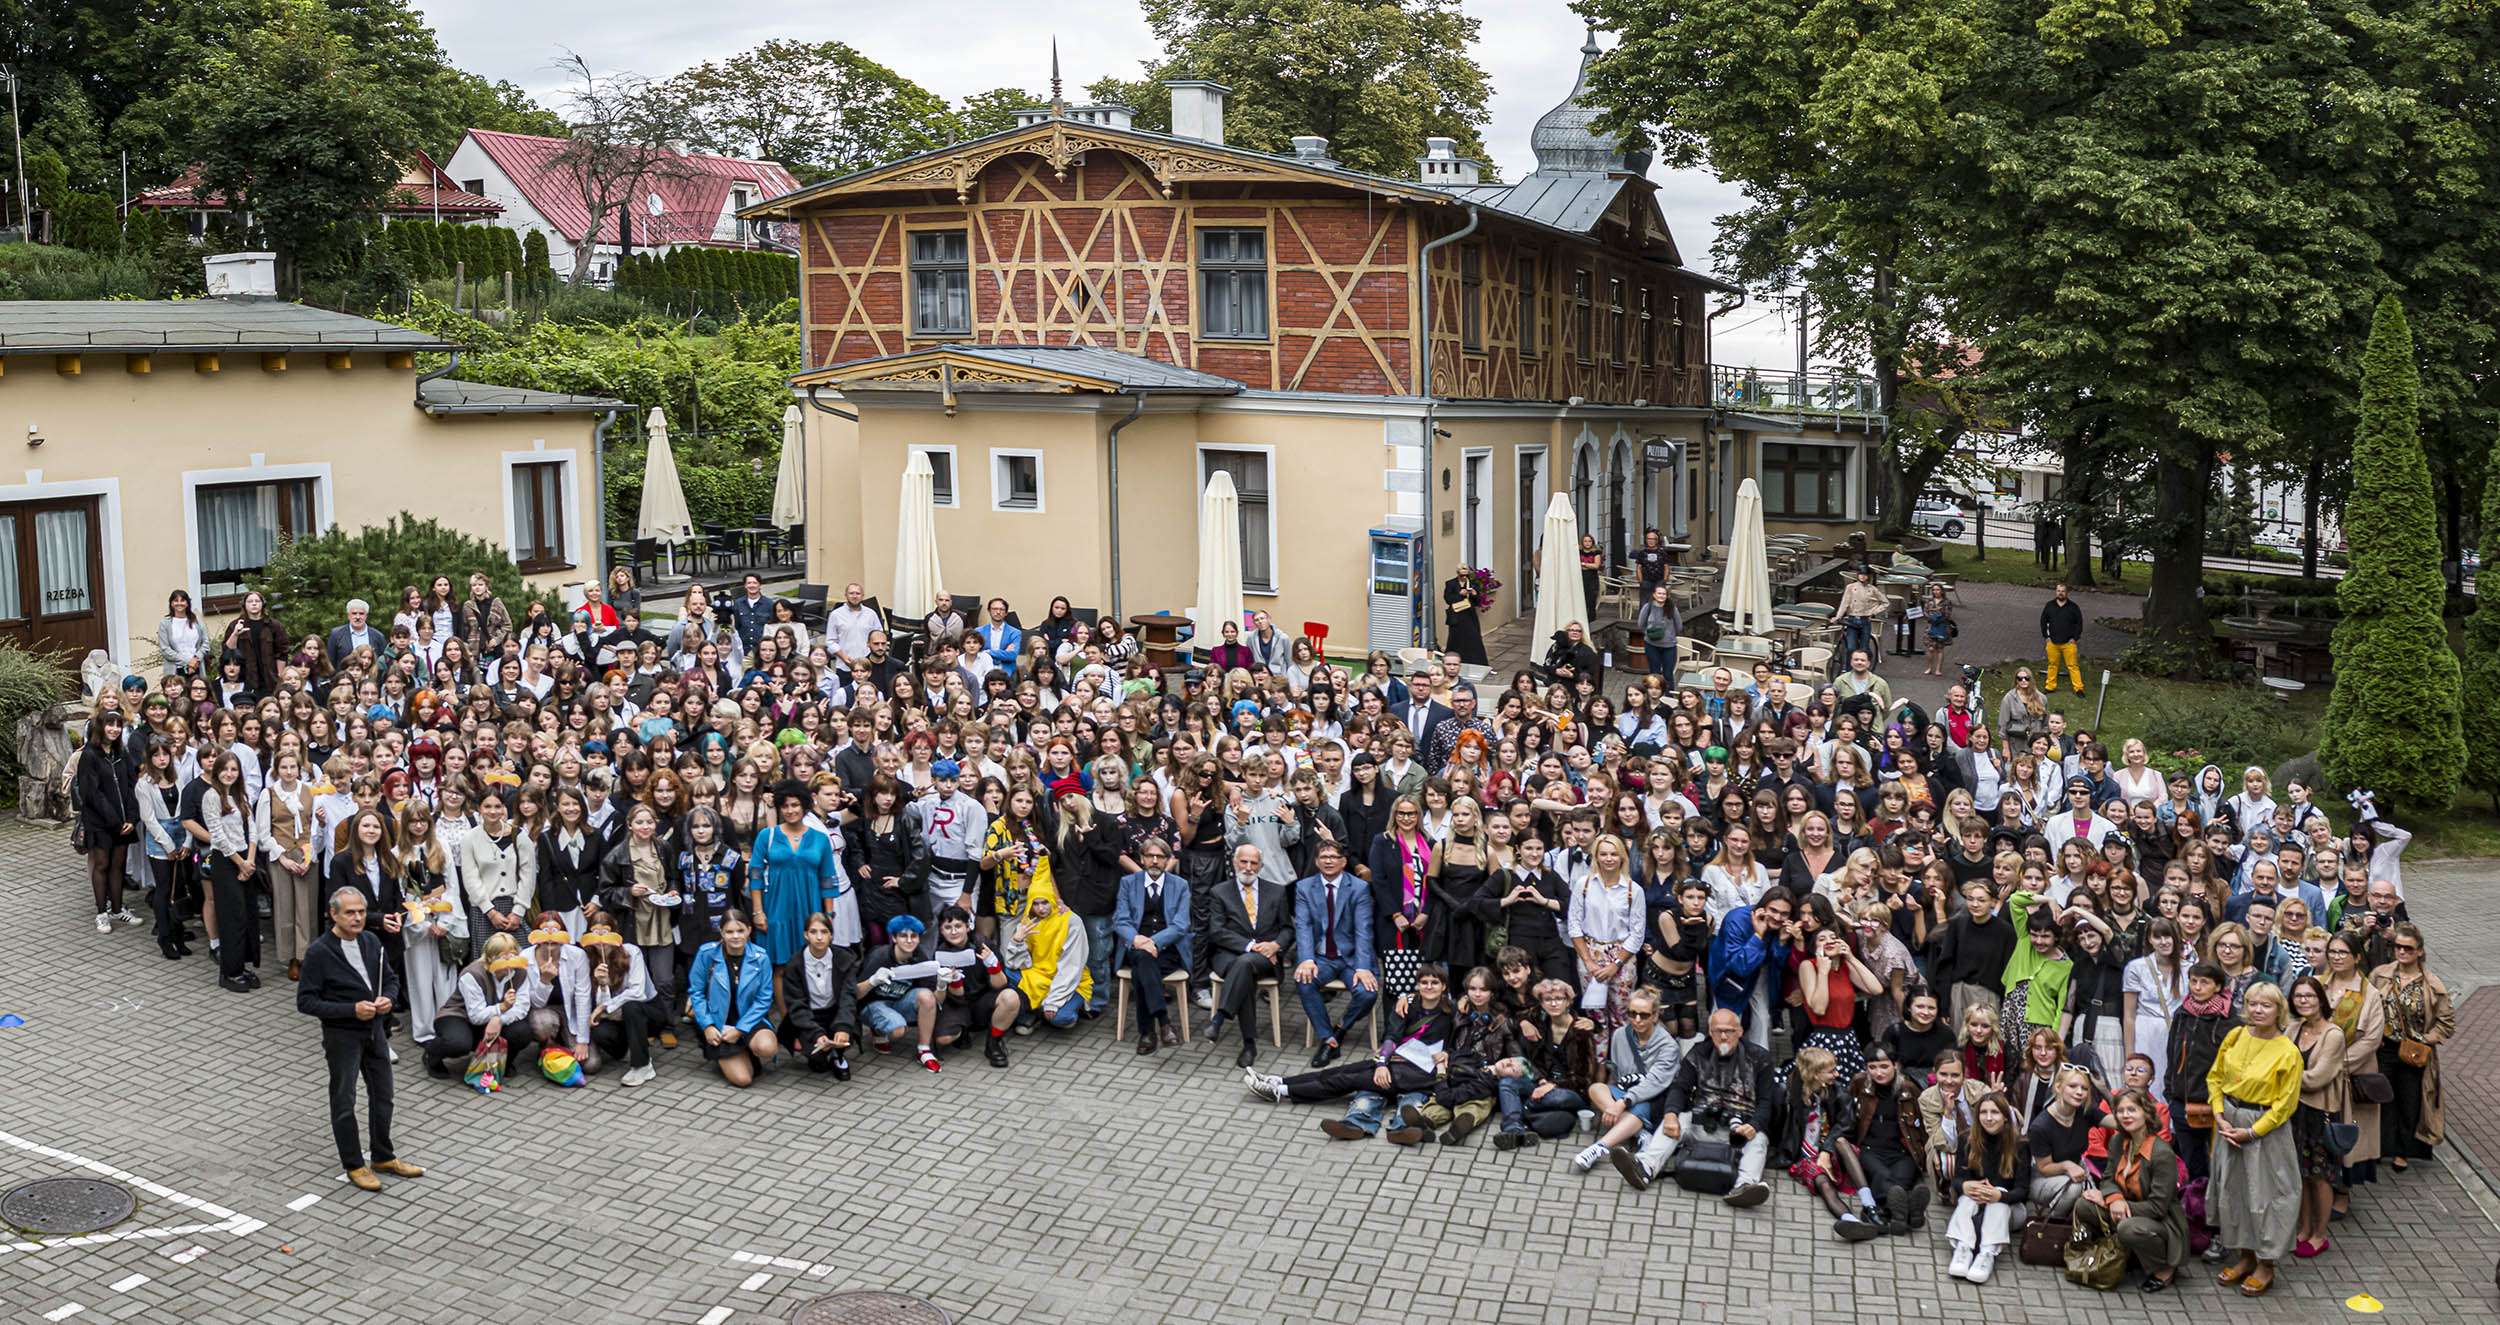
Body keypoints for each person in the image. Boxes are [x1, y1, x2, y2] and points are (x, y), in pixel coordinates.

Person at [297, 887, 421, 1190]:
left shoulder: (371, 941)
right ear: (334, 914)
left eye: (362, 912)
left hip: (375, 1032)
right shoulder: (319, 952)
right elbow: (306, 1002)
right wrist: (350, 1010)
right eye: (350, 912)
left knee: (384, 1095)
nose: (357, 918)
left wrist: (389, 998)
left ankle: (383, 1156)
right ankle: (353, 1163)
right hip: (342, 1036)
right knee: (344, 1099)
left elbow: (390, 979)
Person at [1618, 1008, 1776, 1205]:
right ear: (1710, 1032)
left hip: (1740, 1130)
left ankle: (1744, 1186)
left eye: (1729, 1031)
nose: (1723, 1036)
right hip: (1702, 1124)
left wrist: (1754, 1125)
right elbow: (1680, 1087)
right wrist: (1670, 1113)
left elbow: (1766, 1101)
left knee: (1759, 1139)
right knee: (1678, 1120)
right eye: (1718, 1031)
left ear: (1740, 1031)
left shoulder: (1760, 1058)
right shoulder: (1699, 1052)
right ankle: (1645, 1168)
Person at [2208, 980, 2303, 1296]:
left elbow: (2285, 1104)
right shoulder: (2235, 1036)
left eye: (2266, 1005)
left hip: (2263, 1130)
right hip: (2229, 1122)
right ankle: (2246, 1256)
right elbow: (2215, 1077)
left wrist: (2252, 1132)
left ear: (2279, 1010)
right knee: (2234, 1191)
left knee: (2266, 1195)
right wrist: (2219, 1114)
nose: (2257, 1010)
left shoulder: (2288, 1051)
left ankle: (2266, 1263)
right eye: (2252, 1003)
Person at [2075, 1086, 2186, 1293]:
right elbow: (2108, 1177)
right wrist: (2114, 1198)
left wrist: (2116, 1203)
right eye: (2121, 1111)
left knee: (2128, 1228)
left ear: (2146, 1112)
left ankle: (2163, 1267)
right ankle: (2128, 1252)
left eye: (2132, 1110)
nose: (2126, 1115)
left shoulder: (2161, 1153)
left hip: (2160, 1220)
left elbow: (2158, 1207)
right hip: (2126, 1207)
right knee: (2084, 1205)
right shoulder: (2118, 1140)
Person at [1204, 843, 1295, 1068]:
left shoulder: (1276, 891)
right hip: (1229, 955)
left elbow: (1288, 929)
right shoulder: (1219, 892)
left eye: (1253, 863)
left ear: (1261, 866)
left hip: (1266, 957)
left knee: (1244, 966)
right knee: (1244, 969)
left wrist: (1275, 945)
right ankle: (1249, 1044)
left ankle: (1219, 1018)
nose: (1248, 867)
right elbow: (1216, 931)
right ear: (1235, 863)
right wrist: (1251, 946)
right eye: (1243, 862)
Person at [2370, 922, 2451, 1173]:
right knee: (2382, 1098)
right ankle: (2379, 1147)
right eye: (2398, 947)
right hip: (2384, 1047)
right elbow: (2368, 1006)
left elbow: (2446, 1023)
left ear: (2419, 951)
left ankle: (2402, 1151)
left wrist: (2426, 1038)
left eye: (2408, 948)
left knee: (2410, 1100)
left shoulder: (2432, 984)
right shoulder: (2381, 974)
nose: (2402, 952)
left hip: (2414, 1051)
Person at [1576, 985, 1681, 1176]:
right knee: (1596, 1089)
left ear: (1655, 1016)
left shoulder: (1668, 1046)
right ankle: (1640, 1133)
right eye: (1632, 1014)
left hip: (1654, 1097)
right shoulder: (1620, 1035)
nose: (1637, 1020)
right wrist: (1618, 1101)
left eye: (1644, 1015)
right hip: (1627, 1092)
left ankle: (1599, 1148)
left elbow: (1654, 1083)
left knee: (1637, 1108)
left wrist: (1622, 1103)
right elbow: (1617, 1073)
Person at [1294, 839, 1379, 1066]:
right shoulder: (1304, 887)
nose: (1329, 861)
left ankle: (1341, 1027)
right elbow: (1303, 926)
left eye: (1334, 857)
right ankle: (1328, 1039)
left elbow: (1363, 930)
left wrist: (1363, 967)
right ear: (1316, 862)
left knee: (1367, 993)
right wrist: (1306, 959)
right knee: (1304, 982)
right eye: (1324, 857)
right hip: (1321, 958)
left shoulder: (1359, 888)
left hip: (1352, 958)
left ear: (1343, 862)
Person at [686, 908, 780, 1086]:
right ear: (721, 932)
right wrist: (707, 1026)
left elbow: (764, 999)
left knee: (767, 1048)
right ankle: (730, 1053)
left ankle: (745, 1048)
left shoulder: (761, 957)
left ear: (749, 931)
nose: (735, 936)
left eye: (740, 930)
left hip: (749, 1019)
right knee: (743, 1080)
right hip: (718, 1023)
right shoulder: (706, 954)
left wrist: (740, 1030)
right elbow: (696, 993)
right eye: (729, 932)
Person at [1945, 1091, 2027, 1283]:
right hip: (1975, 1207)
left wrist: (1998, 1195)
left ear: (2005, 1117)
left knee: (2000, 1197)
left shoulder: (2020, 1145)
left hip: (2008, 1210)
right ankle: (1963, 1249)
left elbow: (2023, 1191)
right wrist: (1966, 1186)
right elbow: (1957, 1178)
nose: (1989, 1118)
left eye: (1995, 1112)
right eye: (1984, 1112)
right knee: (1968, 1197)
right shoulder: (1967, 1139)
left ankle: (1987, 1254)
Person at [74, 710, 139, 934]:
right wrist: (115, 821)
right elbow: (92, 794)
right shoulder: (89, 755)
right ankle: (102, 913)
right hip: (100, 823)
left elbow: (132, 786)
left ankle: (118, 908)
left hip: (124, 822)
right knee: (102, 865)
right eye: (109, 724)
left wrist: (131, 818)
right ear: (100, 727)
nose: (114, 729)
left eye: (118, 725)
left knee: (118, 865)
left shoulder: (122, 753)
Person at [779, 911, 858, 1080]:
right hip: (810, 1015)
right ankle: (816, 1052)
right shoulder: (794, 964)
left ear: (831, 935)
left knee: (843, 1035)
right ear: (806, 935)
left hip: (835, 1011)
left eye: (824, 932)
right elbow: (796, 1004)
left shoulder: (844, 959)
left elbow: (848, 996)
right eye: (813, 932)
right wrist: (815, 1034)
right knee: (818, 1064)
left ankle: (838, 1055)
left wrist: (843, 1026)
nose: (819, 937)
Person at [2040, 581, 2085, 694]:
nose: (2060, 593)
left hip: (2069, 643)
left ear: (2067, 593)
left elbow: (2079, 624)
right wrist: (2046, 636)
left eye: (2063, 591)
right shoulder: (2049, 606)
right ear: (2056, 592)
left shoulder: (2073, 607)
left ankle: (2078, 688)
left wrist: (2075, 638)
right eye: (2058, 591)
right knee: (2052, 665)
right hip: (2052, 643)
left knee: (2073, 666)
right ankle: (2050, 687)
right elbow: (2043, 621)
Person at [1442, 565, 1487, 667]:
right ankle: (1453, 661)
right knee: (1455, 640)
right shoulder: (1451, 583)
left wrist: (1474, 594)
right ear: (1458, 573)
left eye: (1466, 575)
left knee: (1474, 639)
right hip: (1456, 616)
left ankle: (1476, 662)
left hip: (1469, 615)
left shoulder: (1472, 583)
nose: (1464, 577)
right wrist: (1460, 594)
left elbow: (1478, 602)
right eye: (1462, 575)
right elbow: (1448, 599)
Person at [1634, 583, 1680, 680]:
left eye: (1664, 594)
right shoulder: (1648, 607)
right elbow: (1641, 624)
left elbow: (1679, 626)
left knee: (1668, 674)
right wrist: (1648, 634)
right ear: (1654, 595)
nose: (1661, 596)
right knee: (1654, 673)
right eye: (1659, 593)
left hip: (1669, 646)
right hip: (1652, 645)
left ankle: (1668, 690)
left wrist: (1669, 635)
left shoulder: (1672, 608)